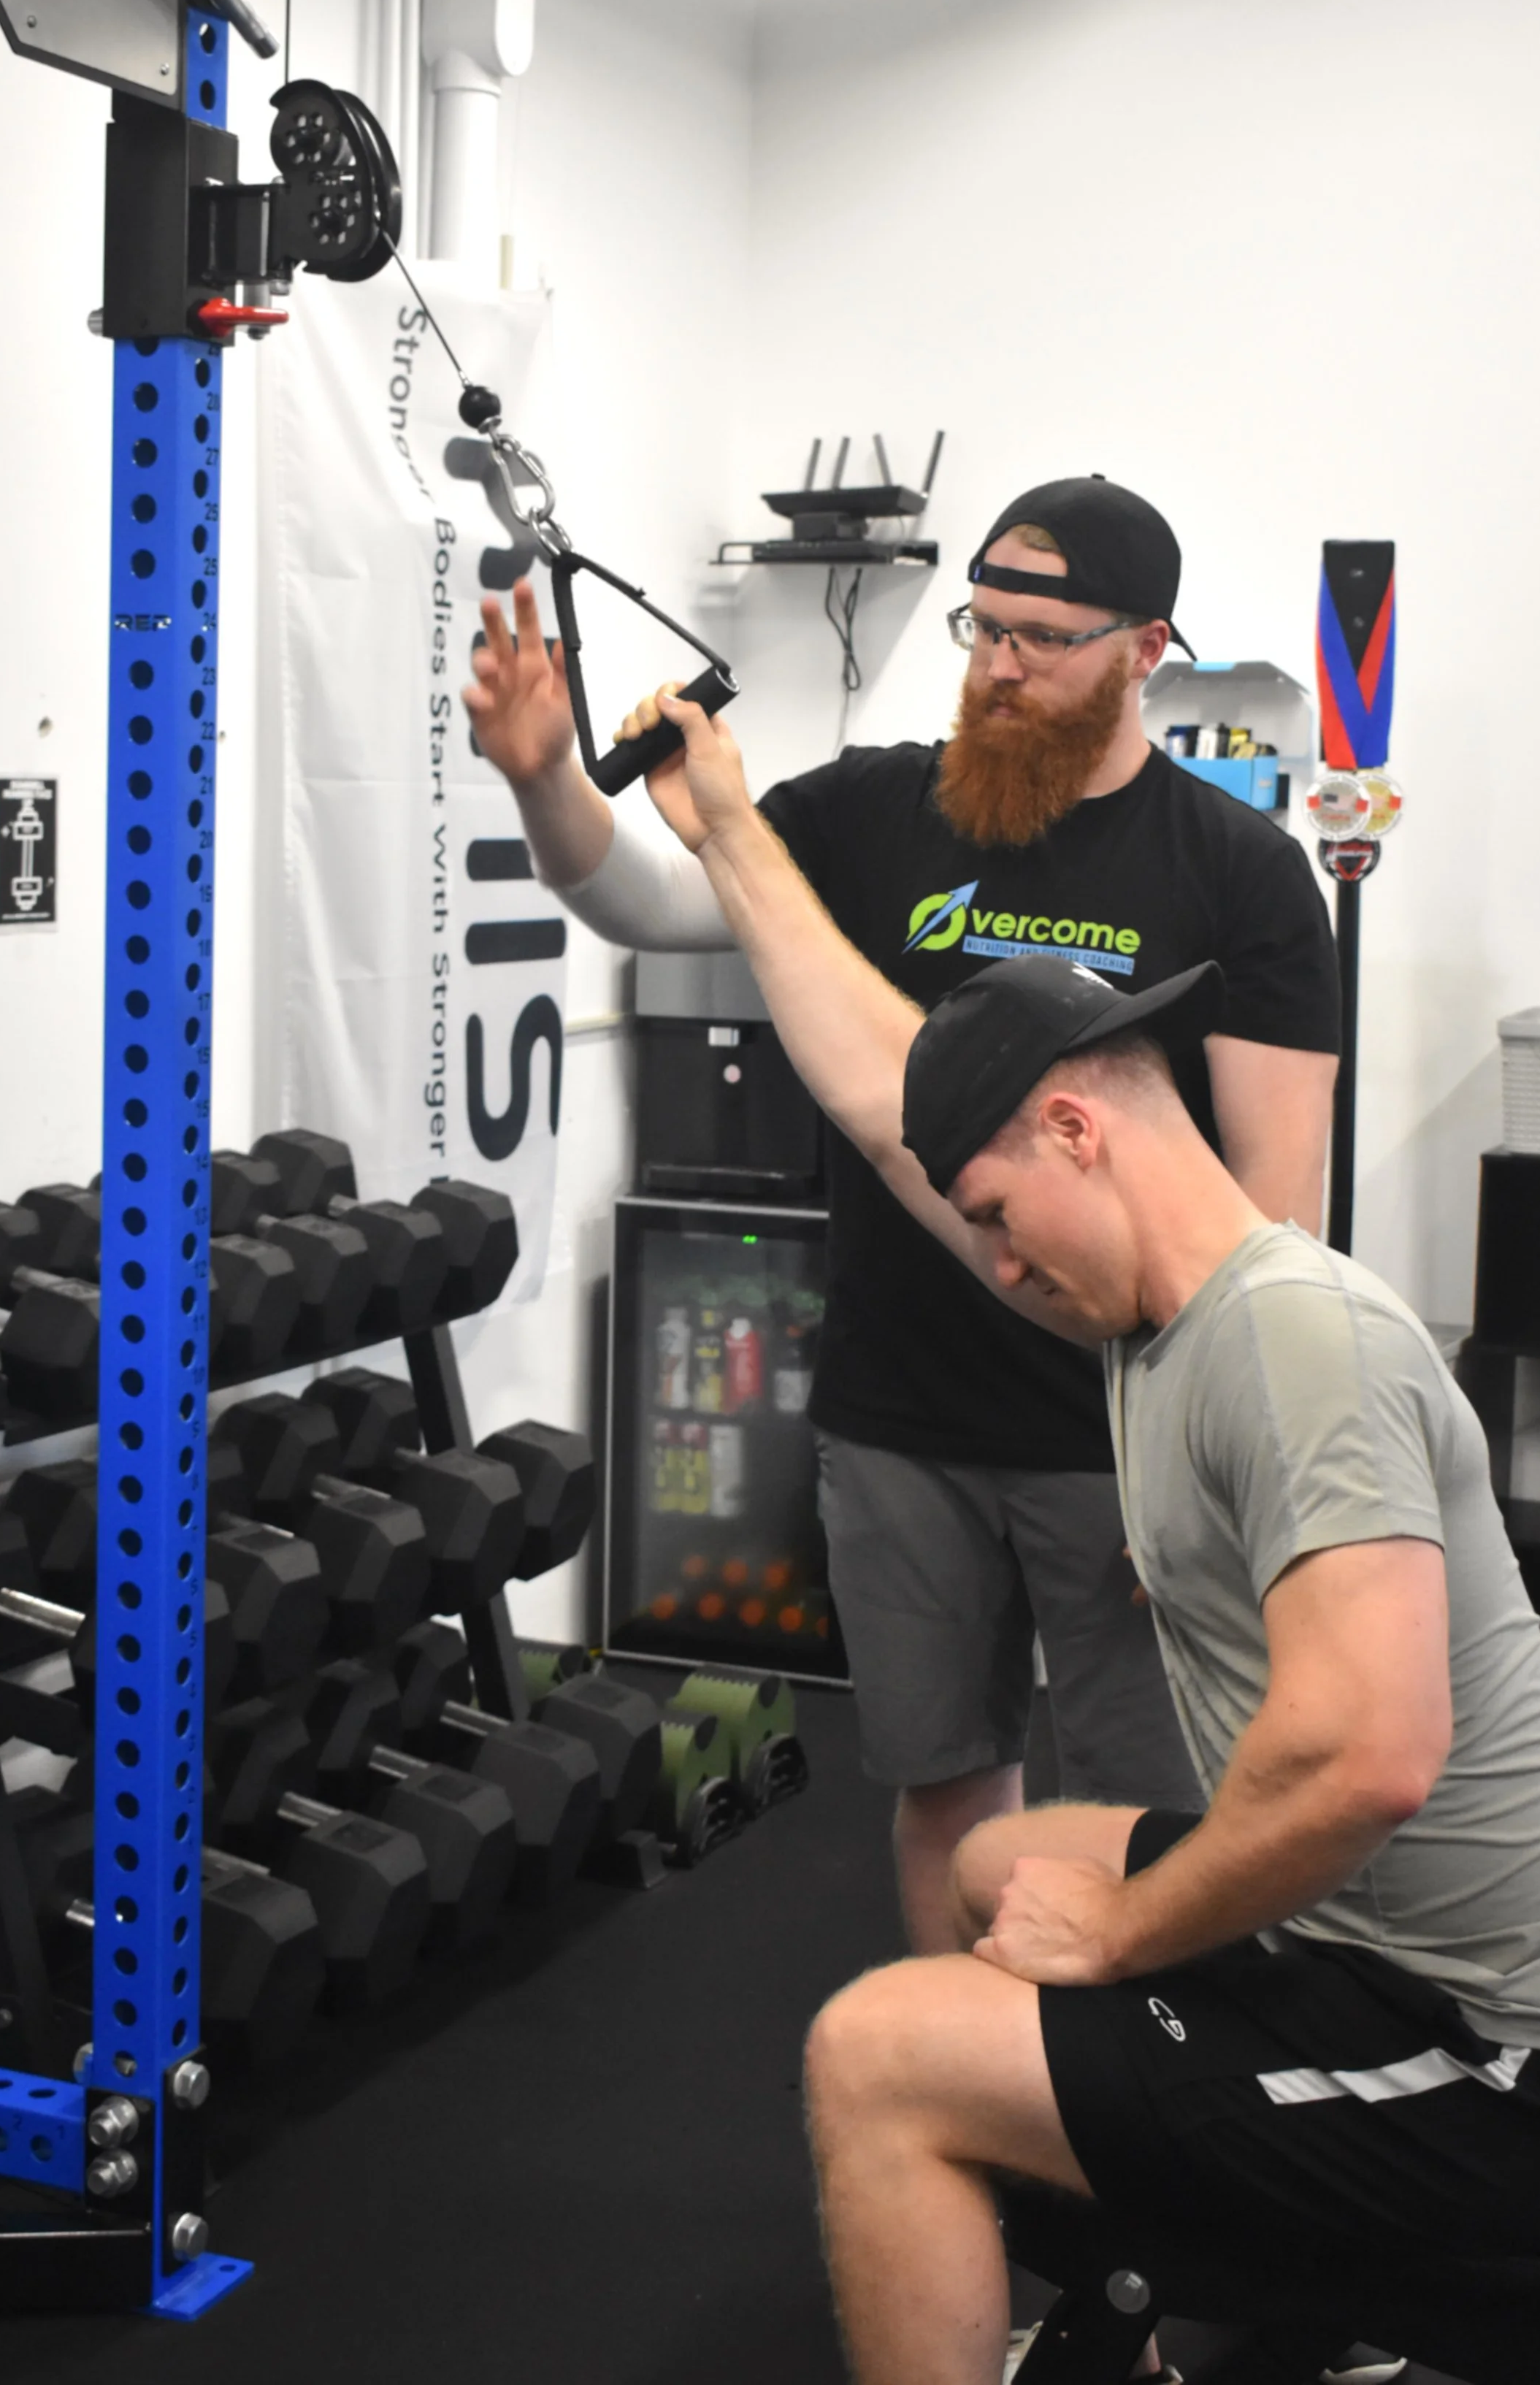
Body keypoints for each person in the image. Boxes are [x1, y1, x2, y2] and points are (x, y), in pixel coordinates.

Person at [621, 687, 1540, 2385]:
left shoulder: (1290, 1341)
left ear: (1072, 1127)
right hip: (1374, 1948)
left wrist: (1125, 1939)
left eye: (990, 1221)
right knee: (988, 1862)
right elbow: (870, 1082)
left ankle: (1189, 2229)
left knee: (875, 2052)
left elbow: (1367, 1763)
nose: (992, 1265)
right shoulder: (1154, 1320)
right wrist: (735, 836)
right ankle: (1168, 2224)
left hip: (1511, 2062)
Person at [462, 475, 1342, 1950]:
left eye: (1042, 638)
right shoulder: (877, 810)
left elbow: (1276, 1216)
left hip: (1114, 1436)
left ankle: (1131, 2114)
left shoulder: (1235, 871)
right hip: (898, 1414)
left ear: (1146, 649)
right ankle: (964, 2078)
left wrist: (1211, 1467)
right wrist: (544, 777)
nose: (996, 665)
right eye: (981, 626)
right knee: (943, 1785)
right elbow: (657, 903)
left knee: (1145, 1811)